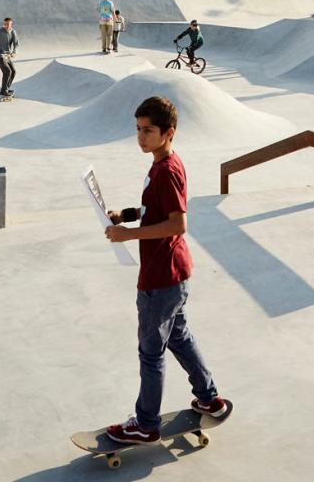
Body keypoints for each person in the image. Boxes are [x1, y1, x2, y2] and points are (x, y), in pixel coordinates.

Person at [103, 96, 228, 445]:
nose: (141, 137)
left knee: (151, 352)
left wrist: (128, 235)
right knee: (179, 336)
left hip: (161, 277)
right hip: (173, 274)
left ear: (168, 132)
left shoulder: (167, 170)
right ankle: (209, 398)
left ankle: (145, 424)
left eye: (149, 131)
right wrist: (126, 216)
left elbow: (177, 223)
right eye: (138, 130)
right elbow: (153, 209)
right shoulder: (162, 164)